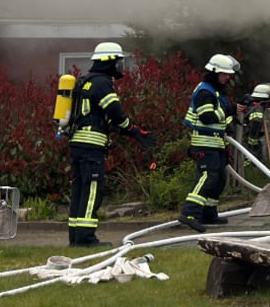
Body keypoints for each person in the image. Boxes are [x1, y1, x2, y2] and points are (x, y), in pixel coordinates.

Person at [68, 41, 157, 247]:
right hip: (92, 146)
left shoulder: (85, 81)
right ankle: (86, 238)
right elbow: (115, 112)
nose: (120, 66)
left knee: (80, 190)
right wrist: (134, 131)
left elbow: (98, 116)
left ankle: (75, 237)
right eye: (118, 62)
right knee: (92, 189)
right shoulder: (102, 83)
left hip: (78, 143)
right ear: (108, 61)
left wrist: (122, 130)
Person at [178, 53, 240, 233]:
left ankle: (208, 214)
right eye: (224, 74)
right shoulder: (205, 92)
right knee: (207, 177)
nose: (227, 78)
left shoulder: (215, 91)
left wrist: (229, 121)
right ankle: (189, 213)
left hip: (215, 142)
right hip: (204, 143)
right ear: (214, 72)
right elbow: (206, 117)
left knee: (219, 179)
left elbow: (220, 115)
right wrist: (229, 110)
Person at [241, 83, 270, 165]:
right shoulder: (258, 110)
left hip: (242, 139)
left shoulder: (250, 106)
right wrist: (253, 143)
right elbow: (256, 122)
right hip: (247, 142)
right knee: (252, 160)